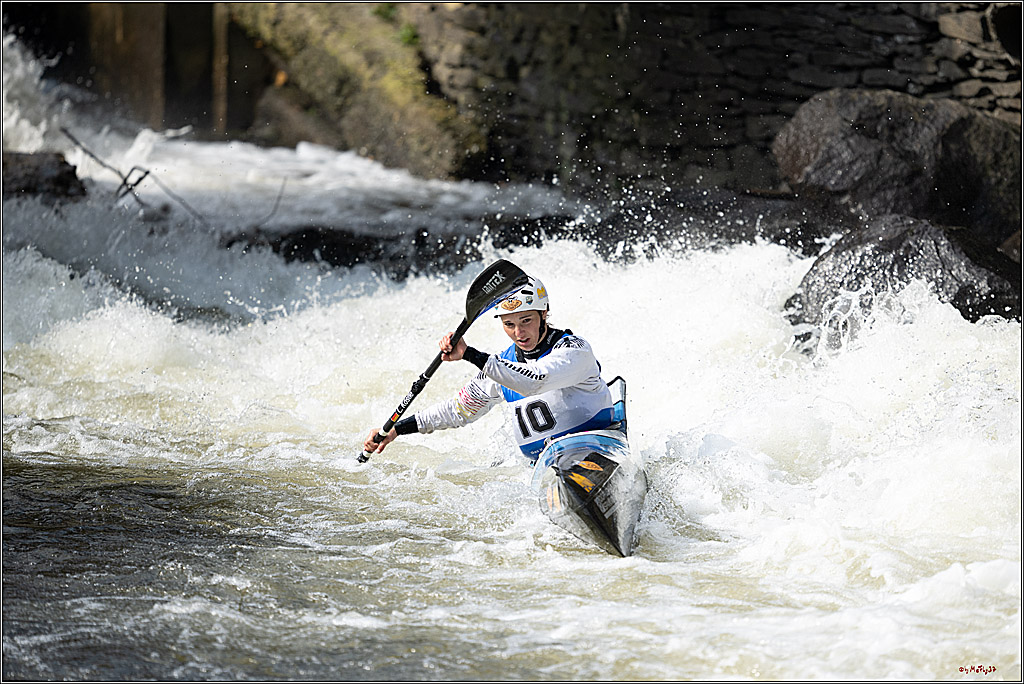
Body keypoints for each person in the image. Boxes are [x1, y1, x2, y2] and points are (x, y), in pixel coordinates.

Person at [362, 275, 614, 463]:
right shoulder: (499, 366)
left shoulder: (573, 350)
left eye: (526, 320)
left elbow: (535, 380)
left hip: (596, 451)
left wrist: (469, 354)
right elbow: (458, 410)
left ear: (544, 313)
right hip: (544, 467)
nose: (519, 332)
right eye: (509, 324)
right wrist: (397, 429)